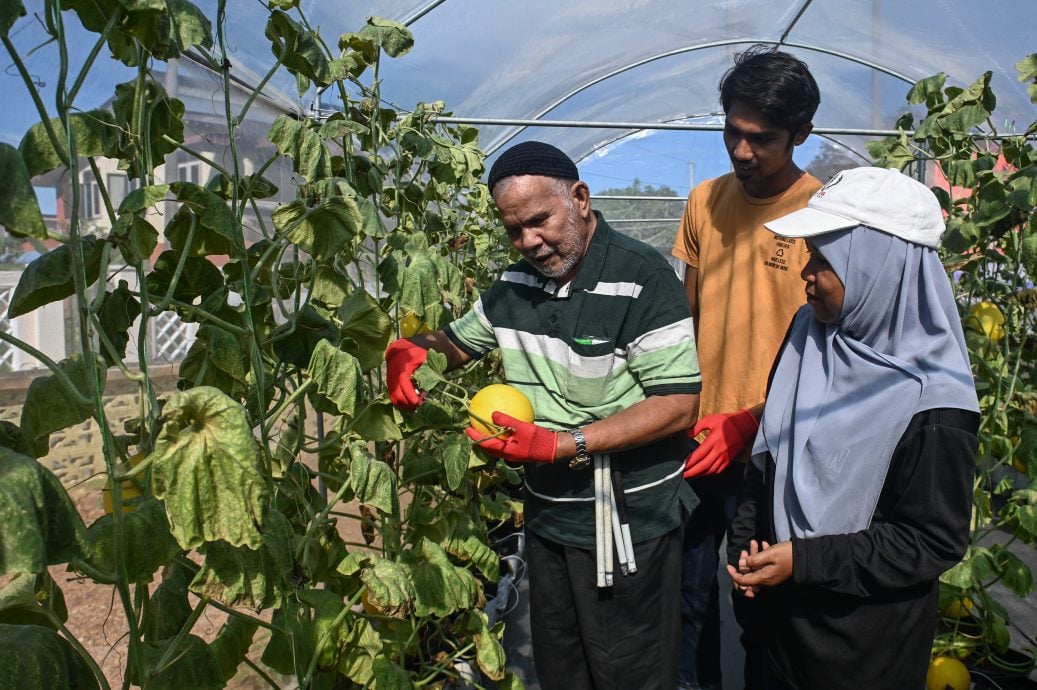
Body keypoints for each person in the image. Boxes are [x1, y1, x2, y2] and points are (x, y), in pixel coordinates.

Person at [384, 140, 702, 690]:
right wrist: (412, 349)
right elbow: (456, 344)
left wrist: (563, 444)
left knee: (629, 672)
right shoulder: (515, 285)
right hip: (550, 518)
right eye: (513, 229)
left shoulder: (642, 276)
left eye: (539, 221)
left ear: (579, 198)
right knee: (563, 669)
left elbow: (677, 405)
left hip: (625, 522)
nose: (528, 241)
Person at [727, 166, 980, 690]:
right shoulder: (808, 335)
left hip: (859, 650)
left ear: (877, 266)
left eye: (823, 259)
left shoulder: (933, 399)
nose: (806, 273)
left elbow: (930, 540)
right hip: (777, 626)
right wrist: (746, 548)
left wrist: (806, 560)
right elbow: (769, 458)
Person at [669, 46, 822, 690]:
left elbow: (829, 358)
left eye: (762, 139)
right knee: (686, 600)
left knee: (758, 604)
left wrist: (753, 422)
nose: (741, 150)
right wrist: (682, 411)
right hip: (700, 441)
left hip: (777, 454)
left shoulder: (827, 215)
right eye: (731, 130)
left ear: (801, 135)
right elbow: (688, 320)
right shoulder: (705, 201)